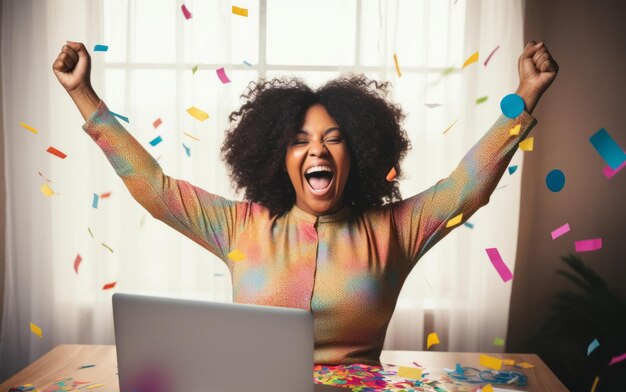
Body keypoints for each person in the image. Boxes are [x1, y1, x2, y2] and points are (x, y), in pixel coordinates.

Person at [53, 40, 558, 366]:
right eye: (300, 140)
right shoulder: (240, 226)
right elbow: (157, 190)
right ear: (279, 156)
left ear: (356, 152)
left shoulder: (395, 230)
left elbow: (466, 187)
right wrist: (85, 97)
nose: (317, 150)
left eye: (333, 138)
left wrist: (524, 96)